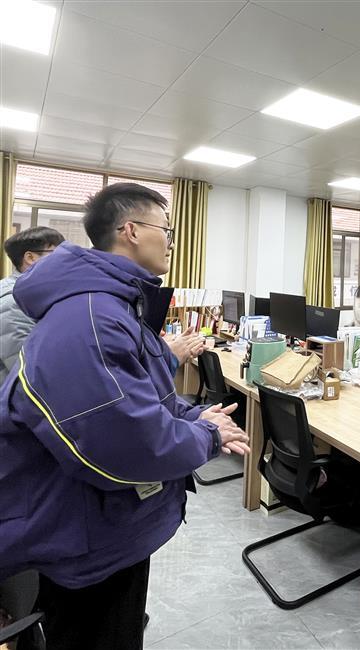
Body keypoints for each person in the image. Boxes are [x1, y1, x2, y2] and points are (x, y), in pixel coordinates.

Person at [0, 183, 250, 649]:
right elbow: (127, 444)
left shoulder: (113, 305)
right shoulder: (90, 316)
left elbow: (144, 392)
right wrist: (207, 437)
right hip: (89, 535)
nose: (171, 242)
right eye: (166, 231)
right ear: (131, 231)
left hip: (103, 526)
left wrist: (193, 415)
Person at [0, 226, 65, 383]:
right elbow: (27, 369)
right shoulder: (14, 300)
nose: (65, 260)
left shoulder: (31, 294)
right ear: (30, 257)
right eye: (58, 254)